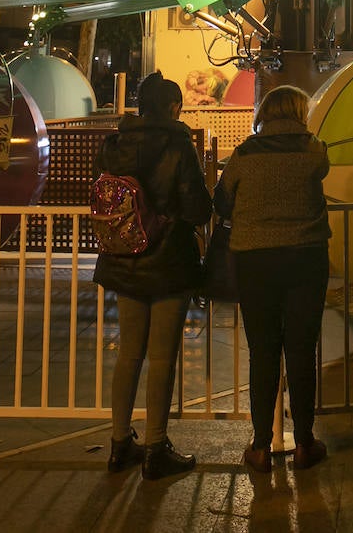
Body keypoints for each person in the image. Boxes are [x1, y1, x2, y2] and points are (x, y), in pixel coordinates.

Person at [93, 71, 212, 480]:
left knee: (129, 353)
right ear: (173, 107)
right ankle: (155, 447)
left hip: (123, 258)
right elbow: (197, 208)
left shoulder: (114, 144)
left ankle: (119, 443)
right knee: (161, 358)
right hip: (168, 264)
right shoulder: (178, 145)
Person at [214, 84, 330, 474]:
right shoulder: (315, 150)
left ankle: (261, 446)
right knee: (301, 349)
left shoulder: (244, 154)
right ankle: (304, 443)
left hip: (254, 260)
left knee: (263, 351)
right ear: (300, 112)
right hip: (306, 257)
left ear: (265, 112)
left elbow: (221, 201)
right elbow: (320, 174)